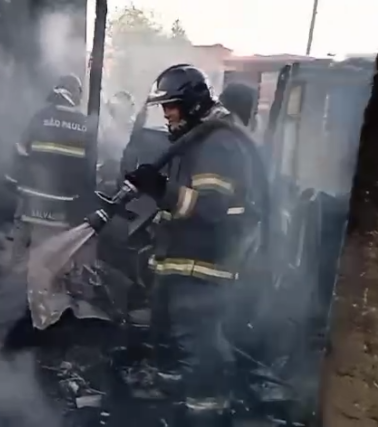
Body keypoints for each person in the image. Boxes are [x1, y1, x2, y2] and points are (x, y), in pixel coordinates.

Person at [123, 64, 269, 426]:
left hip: (205, 261)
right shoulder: (199, 139)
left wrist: (159, 189)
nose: (166, 113)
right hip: (183, 258)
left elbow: (210, 207)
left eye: (171, 105)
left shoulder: (218, 143)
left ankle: (206, 411)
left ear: (190, 103)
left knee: (198, 338)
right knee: (172, 332)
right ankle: (178, 397)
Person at [7, 73, 92, 267]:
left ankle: (14, 278)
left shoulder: (41, 116)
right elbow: (91, 167)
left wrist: (13, 180)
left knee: (22, 236)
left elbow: (20, 150)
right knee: (57, 251)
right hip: (64, 203)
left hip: (32, 197)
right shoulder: (86, 124)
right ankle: (53, 284)